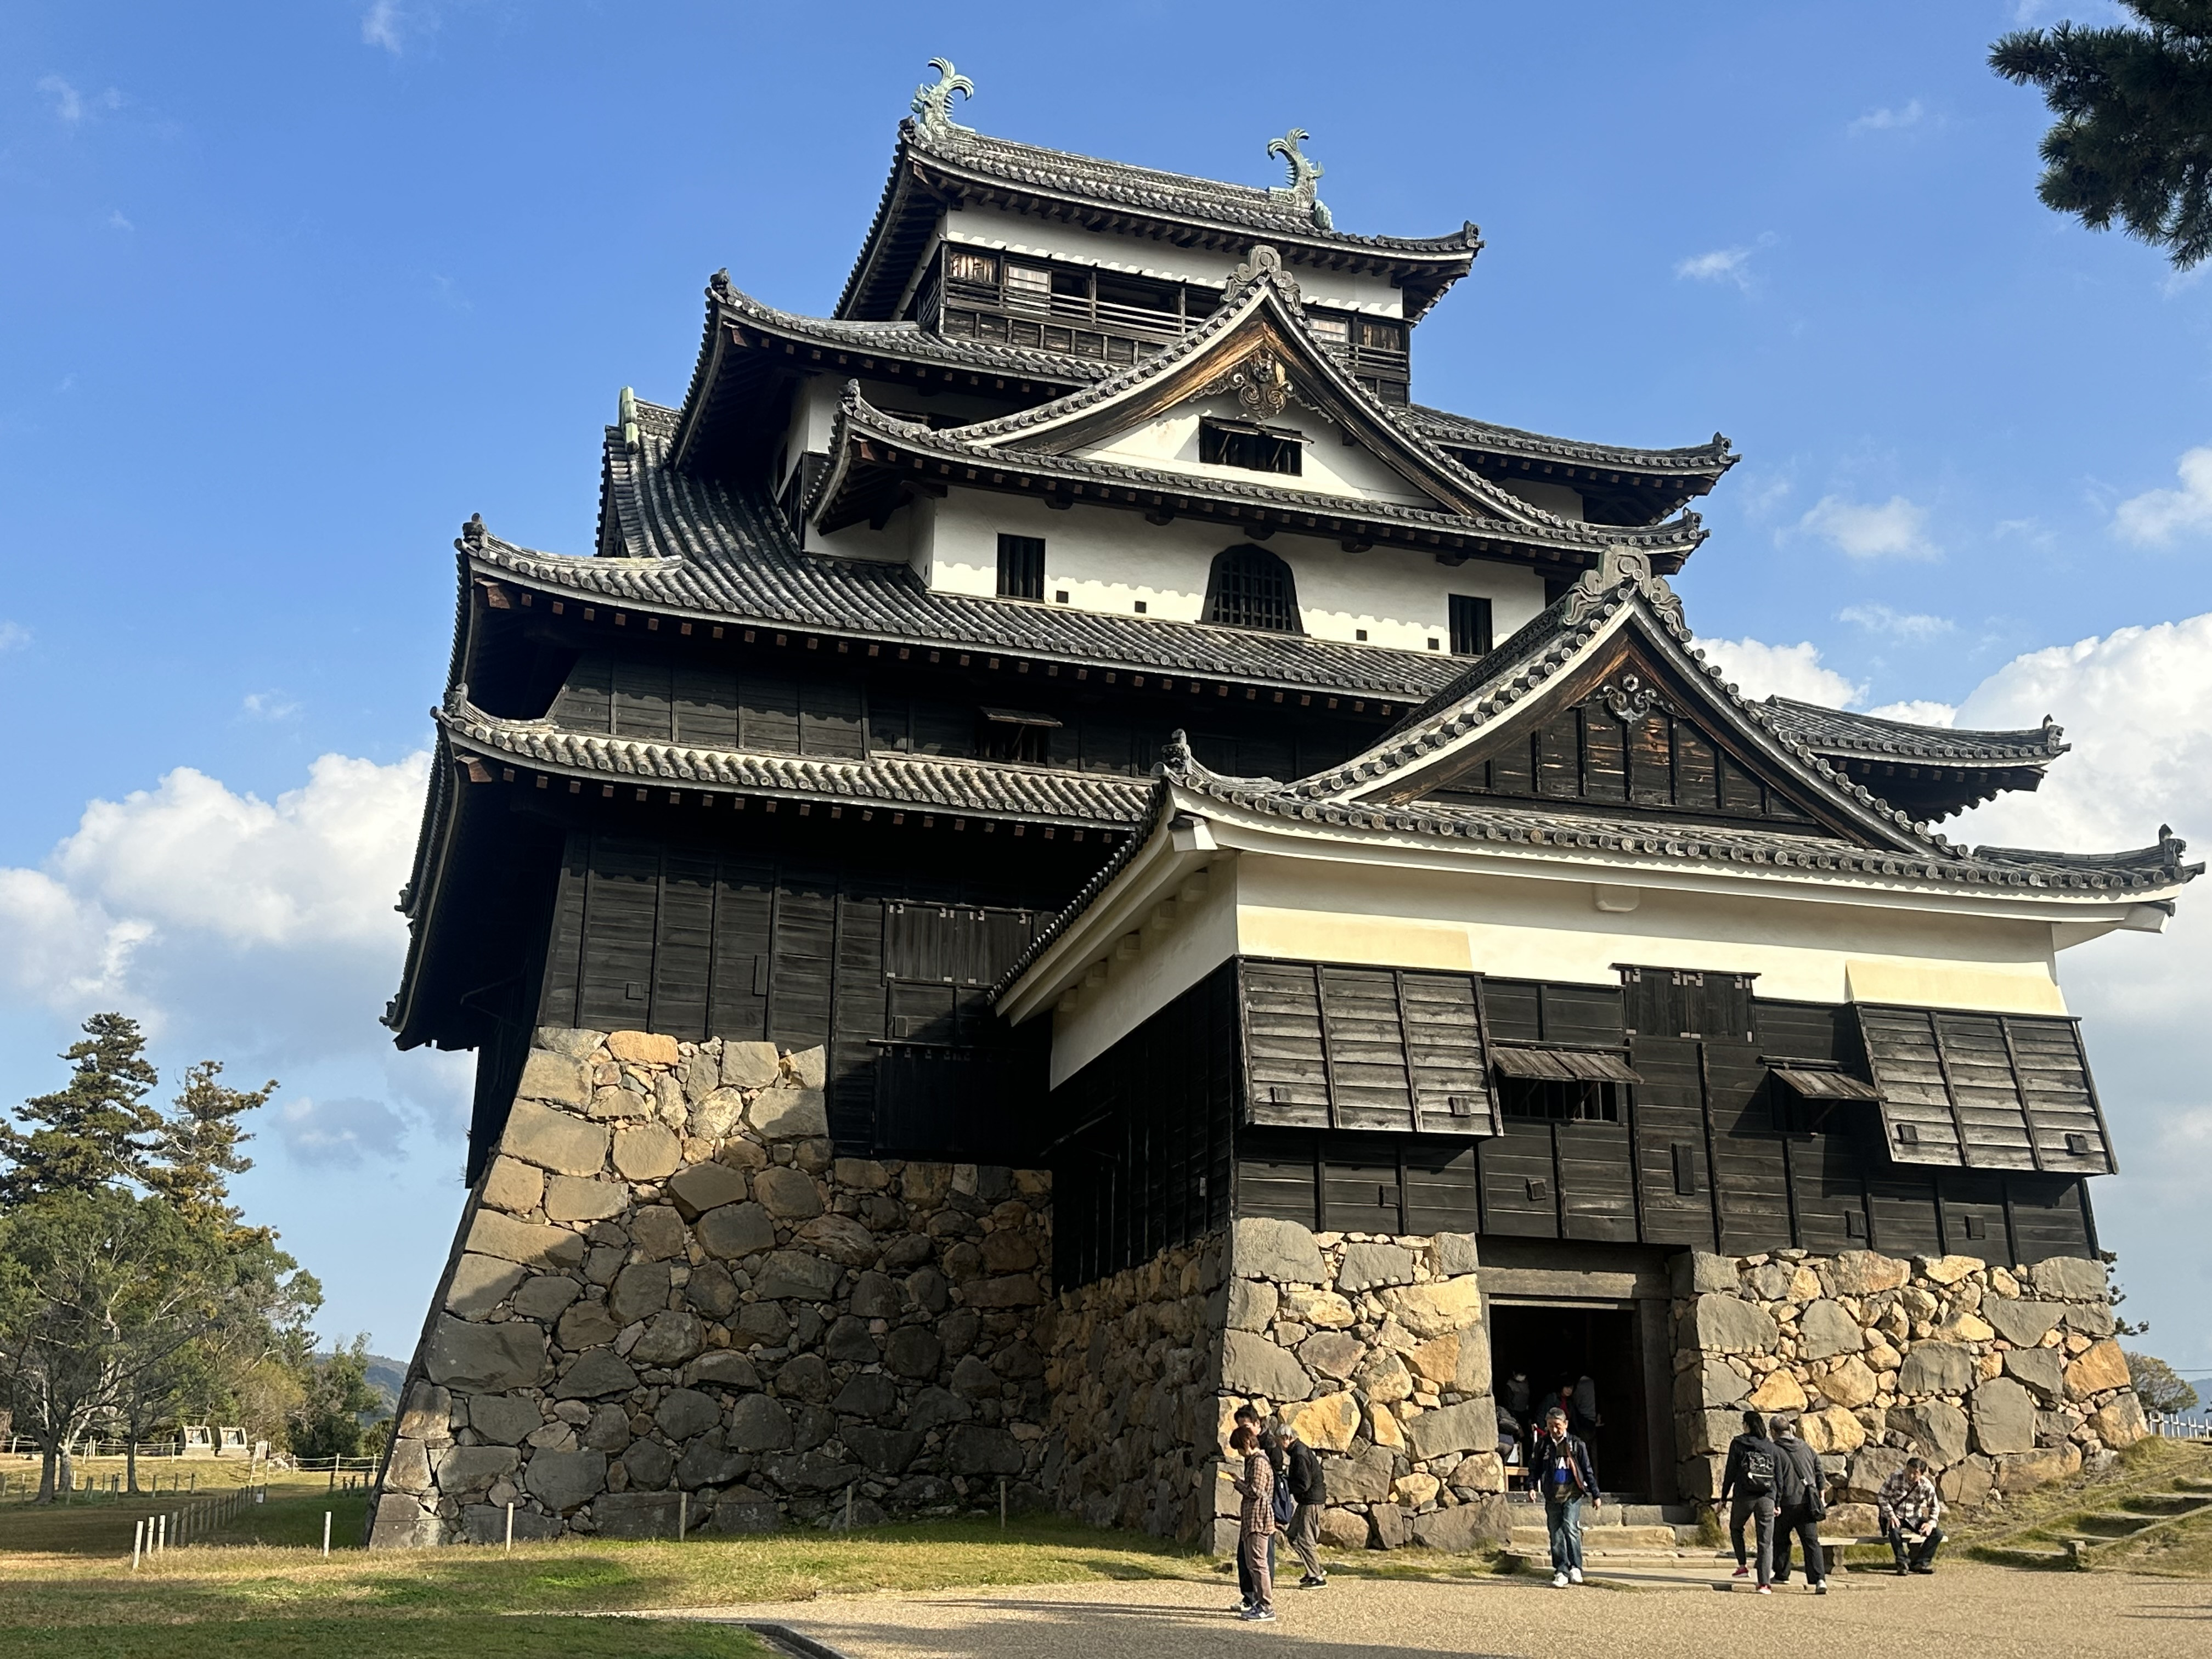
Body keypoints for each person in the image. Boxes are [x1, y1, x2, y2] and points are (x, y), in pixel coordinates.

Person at [1528, 1405, 1600, 1587]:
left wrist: (1595, 1494)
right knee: (1556, 1533)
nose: (1554, 1429)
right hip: (1552, 1494)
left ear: (1565, 1424)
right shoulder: (1543, 1444)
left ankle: (1576, 1567)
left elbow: (1587, 1470)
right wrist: (1532, 1486)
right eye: (1550, 1425)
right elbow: (1535, 1467)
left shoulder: (1577, 1444)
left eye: (1557, 1425)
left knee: (1570, 1527)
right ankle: (1561, 1569)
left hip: (1572, 1493)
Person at [1719, 1409, 1782, 1593]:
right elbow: (1779, 1477)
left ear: (1747, 1425)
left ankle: (1742, 1565)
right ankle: (1764, 1584)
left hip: (1744, 1496)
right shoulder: (1771, 1447)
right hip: (1767, 1497)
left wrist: (1724, 1497)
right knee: (1765, 1542)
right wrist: (1777, 1501)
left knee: (1736, 1528)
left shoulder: (1738, 1443)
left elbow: (1730, 1472)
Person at [1768, 1417, 1829, 1595]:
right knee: (1811, 1543)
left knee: (1780, 1539)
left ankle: (1782, 1574)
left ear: (1773, 1431)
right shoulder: (1806, 1447)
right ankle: (1820, 1579)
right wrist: (1821, 1494)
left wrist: (1774, 1502)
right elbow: (1819, 1469)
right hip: (1807, 1502)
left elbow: (1774, 1478)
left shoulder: (1774, 1450)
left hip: (1785, 1502)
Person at [1229, 1424, 1278, 1621]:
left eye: (1240, 1448)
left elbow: (1256, 1490)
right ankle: (1259, 1603)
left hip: (1259, 1518)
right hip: (1252, 1517)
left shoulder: (1259, 1462)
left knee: (1258, 1563)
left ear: (1247, 1443)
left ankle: (1266, 1605)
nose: (1240, 1453)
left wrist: (1239, 1484)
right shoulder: (1254, 1461)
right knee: (1252, 1563)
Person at [1278, 1419, 1328, 1588]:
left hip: (1311, 1501)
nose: (1280, 1445)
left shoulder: (1299, 1454)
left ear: (1287, 1438)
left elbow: (1304, 1483)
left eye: (1280, 1441)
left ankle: (1317, 1578)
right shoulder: (1298, 1451)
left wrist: (1287, 1486)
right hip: (1307, 1500)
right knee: (1293, 1536)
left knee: (1306, 1539)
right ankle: (1314, 1568)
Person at [1877, 1456, 1946, 1576]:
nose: (1911, 1476)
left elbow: (1935, 1506)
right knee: (1894, 1530)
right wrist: (1891, 1515)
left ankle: (1921, 1563)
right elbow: (1882, 1497)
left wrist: (1930, 1524)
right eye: (1909, 1471)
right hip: (1896, 1515)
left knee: (1937, 1534)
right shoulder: (1895, 1477)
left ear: (1922, 1474)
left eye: (1916, 1474)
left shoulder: (1926, 1485)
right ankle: (1902, 1563)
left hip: (1914, 1516)